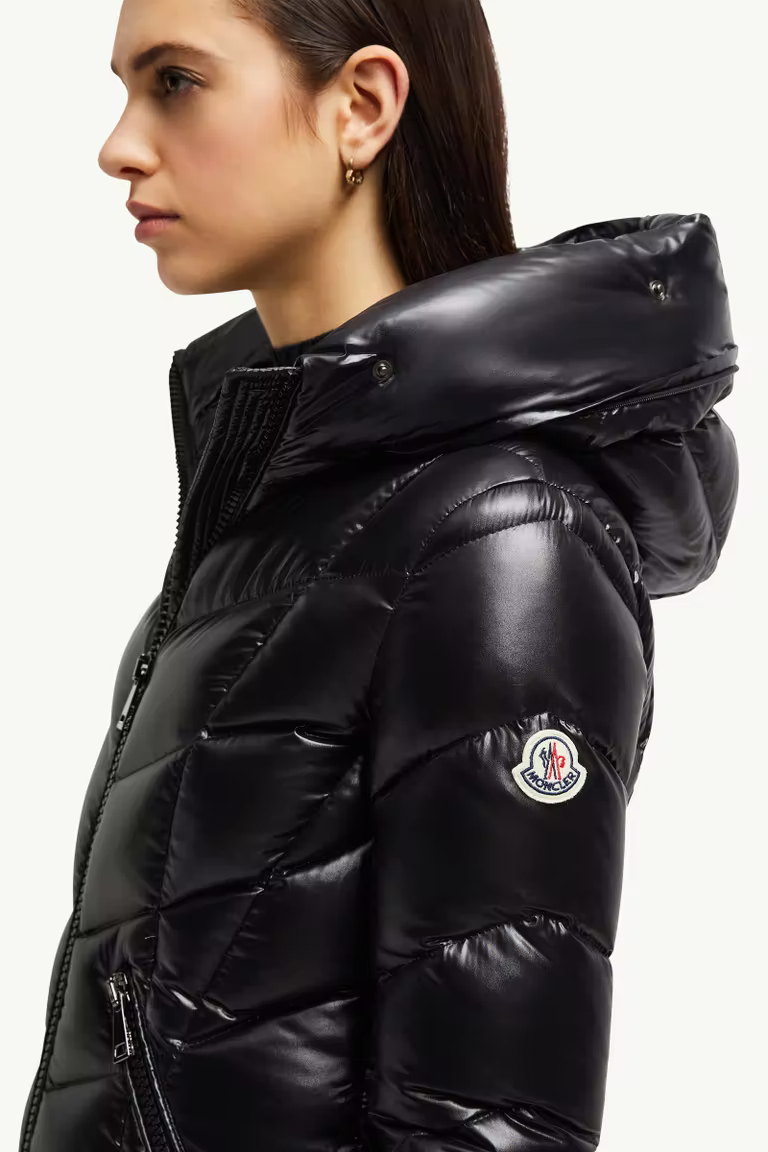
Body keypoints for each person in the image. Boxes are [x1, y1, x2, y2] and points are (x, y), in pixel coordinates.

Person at [18, 0, 739, 1150]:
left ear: (360, 107)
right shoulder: (276, 515)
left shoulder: (497, 533)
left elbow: (489, 1126)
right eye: (126, 89)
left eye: (176, 82)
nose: (119, 146)